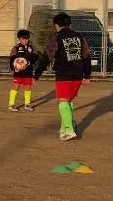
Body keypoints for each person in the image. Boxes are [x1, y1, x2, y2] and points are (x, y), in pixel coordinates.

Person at [34, 12, 92, 140]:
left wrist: (36, 75)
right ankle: (64, 127)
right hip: (78, 73)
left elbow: (46, 57)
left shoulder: (57, 38)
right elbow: (87, 55)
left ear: (57, 25)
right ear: (69, 24)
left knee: (62, 101)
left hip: (64, 74)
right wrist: (87, 75)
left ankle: (69, 130)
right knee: (68, 101)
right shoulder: (79, 37)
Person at [7, 28, 39, 112]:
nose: (24, 40)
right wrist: (14, 68)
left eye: (26, 39)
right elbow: (12, 59)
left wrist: (28, 61)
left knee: (28, 87)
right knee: (16, 87)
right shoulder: (16, 48)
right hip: (18, 73)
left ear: (28, 39)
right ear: (19, 39)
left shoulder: (32, 47)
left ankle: (27, 104)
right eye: (22, 39)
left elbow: (36, 57)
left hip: (28, 72)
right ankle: (11, 104)